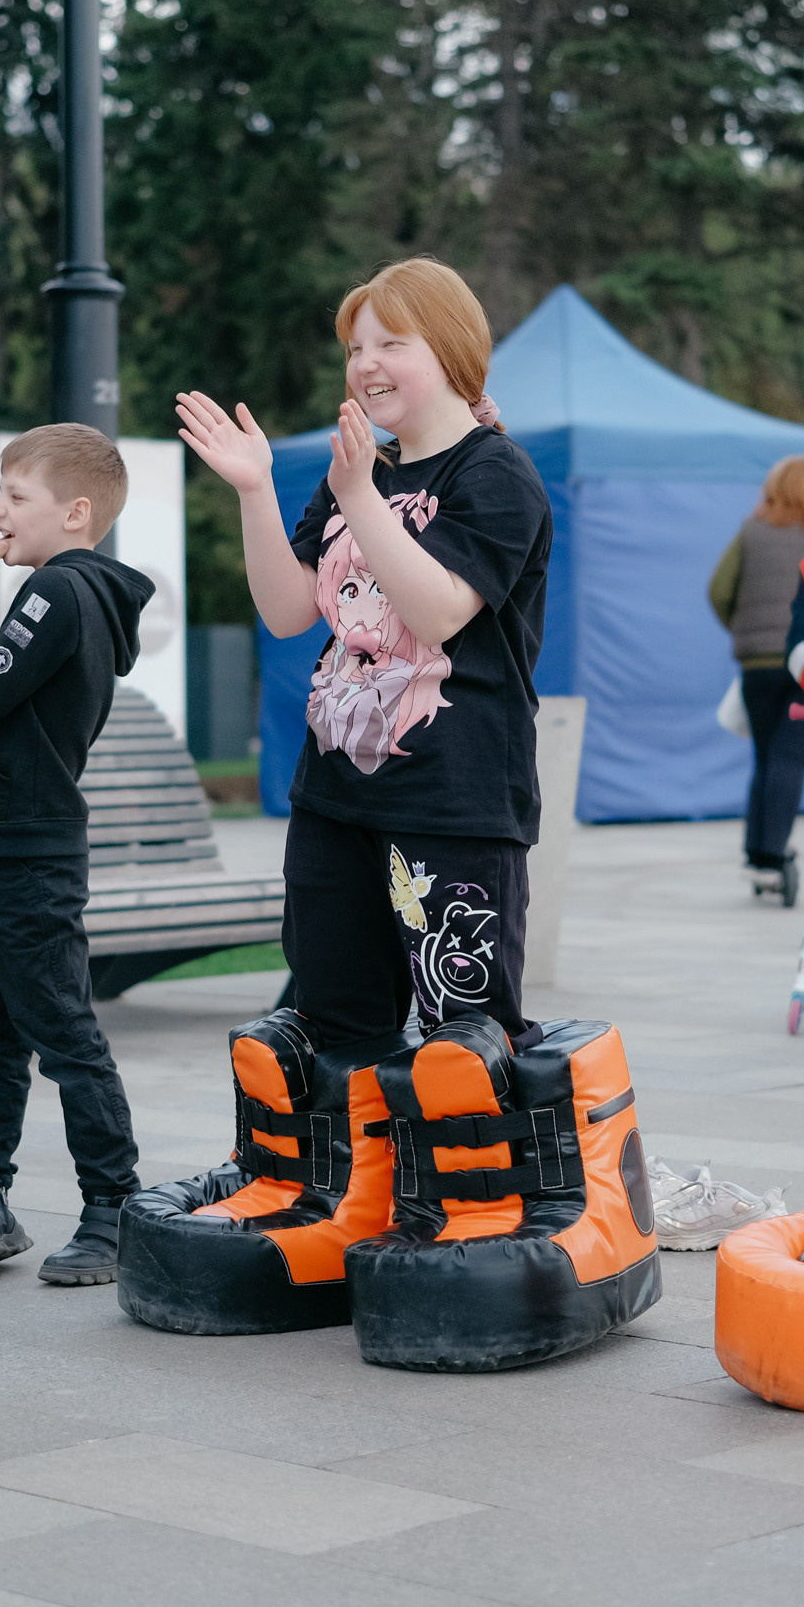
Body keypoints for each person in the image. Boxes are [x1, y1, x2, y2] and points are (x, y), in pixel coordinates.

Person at [177, 256, 550, 1050]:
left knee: (466, 1043)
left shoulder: (496, 472)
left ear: (449, 350)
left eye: (390, 343)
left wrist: (358, 497)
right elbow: (286, 612)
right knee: (334, 1030)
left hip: (453, 803)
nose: (364, 365)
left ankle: (467, 1181)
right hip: (335, 797)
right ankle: (347, 1180)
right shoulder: (359, 470)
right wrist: (254, 490)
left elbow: (441, 611)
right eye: (354, 348)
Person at [0, 424, 155, 1287]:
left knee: (62, 1032)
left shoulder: (57, 591)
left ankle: (111, 1208)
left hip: (27, 853)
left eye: (15, 496)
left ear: (75, 511)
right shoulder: (71, 591)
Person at [707, 455, 804, 892]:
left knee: (765, 756)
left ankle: (757, 853)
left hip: (757, 664)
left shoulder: (753, 529)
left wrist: (747, 633)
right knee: (791, 758)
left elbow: (719, 590)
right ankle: (773, 854)